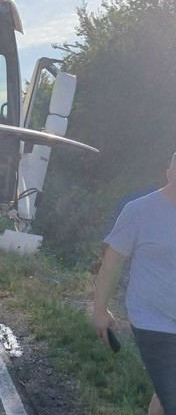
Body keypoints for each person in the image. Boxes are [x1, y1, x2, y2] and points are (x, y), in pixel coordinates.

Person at [93, 152, 176, 415]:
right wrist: (99, 309)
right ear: (169, 172)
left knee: (166, 395)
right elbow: (113, 262)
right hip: (153, 322)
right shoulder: (140, 210)